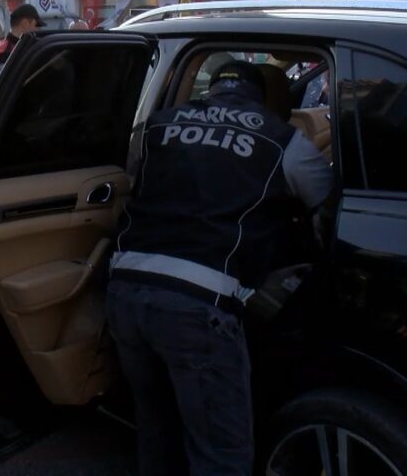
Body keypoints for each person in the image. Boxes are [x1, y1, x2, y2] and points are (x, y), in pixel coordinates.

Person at [105, 60, 333, 475]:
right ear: (261, 97)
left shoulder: (156, 125)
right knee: (220, 454)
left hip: (127, 290)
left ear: (211, 90)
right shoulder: (284, 140)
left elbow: (136, 179)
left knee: (156, 429)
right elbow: (328, 206)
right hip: (198, 305)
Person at [0, 3, 45, 79]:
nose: (37, 29)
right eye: (36, 25)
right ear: (25, 23)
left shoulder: (21, 46)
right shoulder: (6, 52)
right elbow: (8, 82)